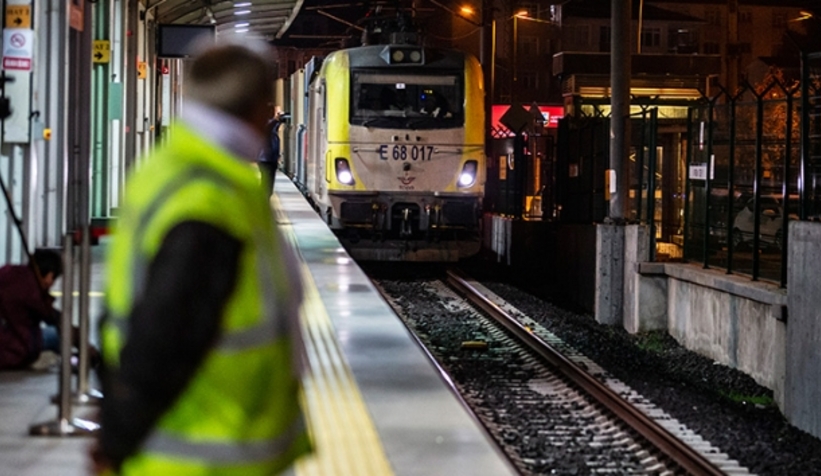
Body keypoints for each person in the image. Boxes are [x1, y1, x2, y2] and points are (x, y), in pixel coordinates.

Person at [91, 41, 312, 476]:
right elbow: (162, 332)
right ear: (257, 108)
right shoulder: (210, 198)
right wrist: (114, 444)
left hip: (201, 445)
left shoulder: (174, 167)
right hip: (202, 451)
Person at [0, 249, 65, 370]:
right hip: (11, 344)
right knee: (60, 335)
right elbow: (50, 316)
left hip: (7, 332)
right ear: (50, 275)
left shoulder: (8, 271)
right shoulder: (33, 290)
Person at [258, 106, 284, 196]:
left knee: (269, 184)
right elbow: (268, 127)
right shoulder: (264, 123)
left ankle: (265, 200)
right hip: (265, 159)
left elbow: (274, 126)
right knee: (266, 183)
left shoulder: (272, 126)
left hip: (271, 158)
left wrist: (279, 119)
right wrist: (276, 119)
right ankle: (263, 202)